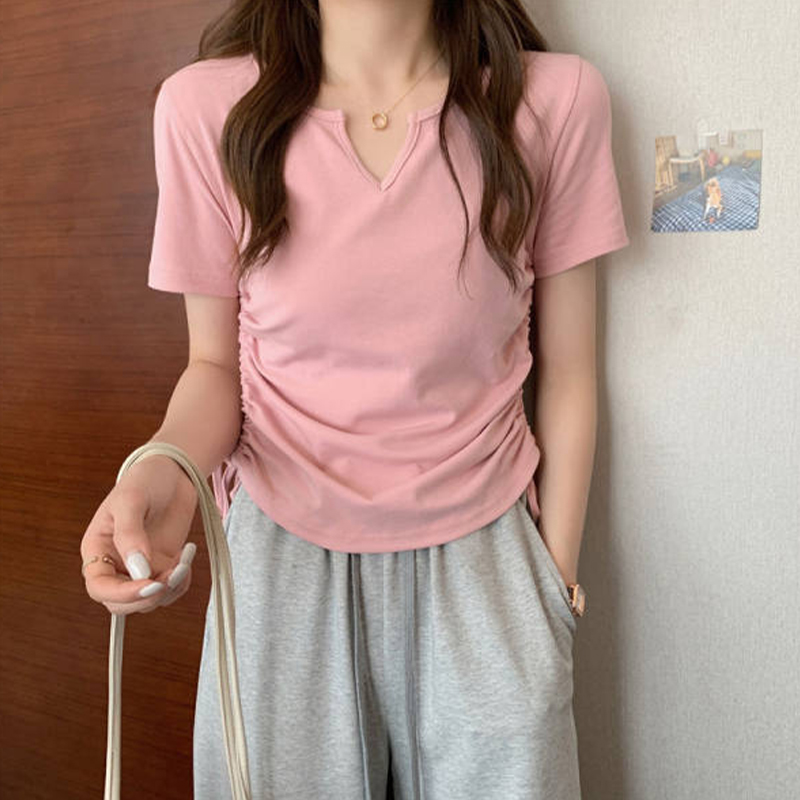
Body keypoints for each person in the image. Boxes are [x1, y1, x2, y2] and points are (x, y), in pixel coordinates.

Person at [80, 0, 630, 797]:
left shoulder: (555, 102)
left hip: (487, 562)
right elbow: (214, 366)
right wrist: (158, 472)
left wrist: (555, 583)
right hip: (282, 565)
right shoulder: (204, 110)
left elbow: (572, 370)